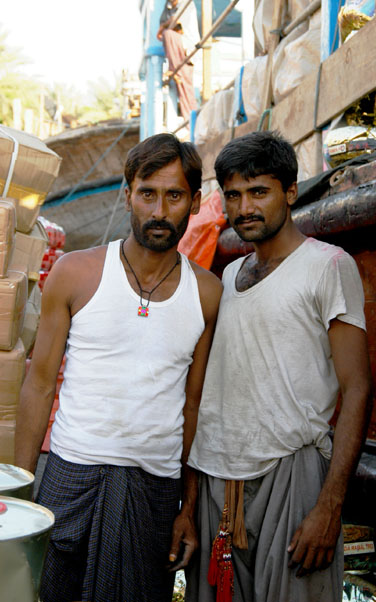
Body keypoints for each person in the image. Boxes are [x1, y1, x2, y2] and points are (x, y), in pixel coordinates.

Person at [15, 133, 222, 602]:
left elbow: (194, 405)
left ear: (194, 201)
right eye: (147, 193)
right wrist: (20, 490)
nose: (159, 210)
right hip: (72, 472)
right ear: (126, 193)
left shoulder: (206, 293)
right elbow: (39, 383)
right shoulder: (76, 272)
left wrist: (187, 507)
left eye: (174, 196)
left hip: (153, 487)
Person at [186, 131, 372, 602]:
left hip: (291, 475)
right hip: (218, 479)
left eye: (258, 192)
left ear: (290, 192)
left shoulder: (327, 265)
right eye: (232, 195)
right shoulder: (228, 276)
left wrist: (330, 506)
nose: (244, 207)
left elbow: (357, 390)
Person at [157, 0, 199, 123]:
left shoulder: (187, 4)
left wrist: (163, 28)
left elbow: (176, 21)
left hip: (187, 52)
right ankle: (190, 123)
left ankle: (192, 124)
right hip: (176, 60)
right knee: (182, 91)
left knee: (187, 90)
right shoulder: (168, 6)